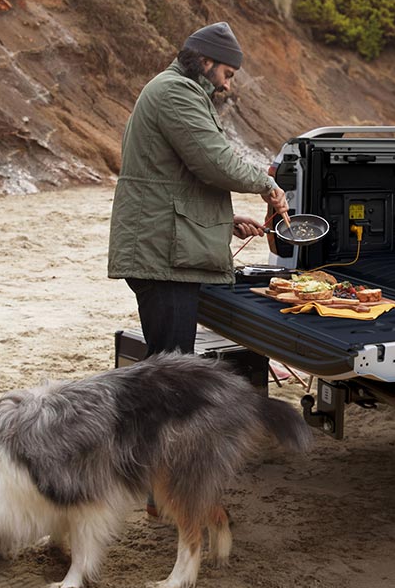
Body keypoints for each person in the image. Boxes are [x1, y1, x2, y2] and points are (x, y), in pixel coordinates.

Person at [108, 21, 290, 358]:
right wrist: (267, 184)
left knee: (170, 366)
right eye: (227, 72)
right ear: (206, 62)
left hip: (165, 248)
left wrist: (223, 220)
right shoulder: (177, 91)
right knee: (173, 371)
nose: (227, 83)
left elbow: (173, 177)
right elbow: (214, 161)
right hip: (163, 257)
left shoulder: (173, 89)